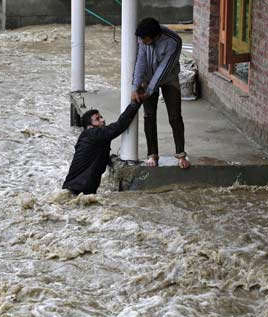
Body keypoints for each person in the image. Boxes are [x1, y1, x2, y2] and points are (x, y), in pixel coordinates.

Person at [131, 17, 190, 169]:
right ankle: (152, 154)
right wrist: (135, 86)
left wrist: (150, 90)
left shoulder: (174, 41)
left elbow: (164, 69)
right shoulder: (142, 38)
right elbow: (140, 61)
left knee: (175, 116)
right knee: (149, 115)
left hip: (169, 78)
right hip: (148, 77)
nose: (142, 42)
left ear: (155, 36)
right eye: (141, 39)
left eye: (145, 39)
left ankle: (181, 154)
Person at [63, 101, 142, 195]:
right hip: (79, 190)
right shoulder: (94, 133)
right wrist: (135, 104)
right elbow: (119, 125)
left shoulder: (87, 137)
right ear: (89, 127)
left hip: (75, 189)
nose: (102, 120)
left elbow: (93, 157)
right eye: (97, 119)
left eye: (101, 117)